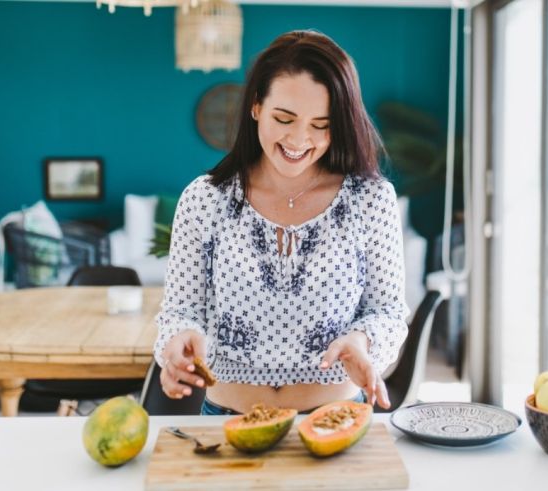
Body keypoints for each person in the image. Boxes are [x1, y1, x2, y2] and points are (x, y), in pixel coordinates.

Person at [154, 30, 408, 415]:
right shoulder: (204, 199)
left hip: (334, 418)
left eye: (321, 124)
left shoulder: (371, 201)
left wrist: (362, 340)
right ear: (256, 106)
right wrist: (177, 341)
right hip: (226, 418)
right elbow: (180, 311)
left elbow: (389, 313)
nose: (299, 139)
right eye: (284, 118)